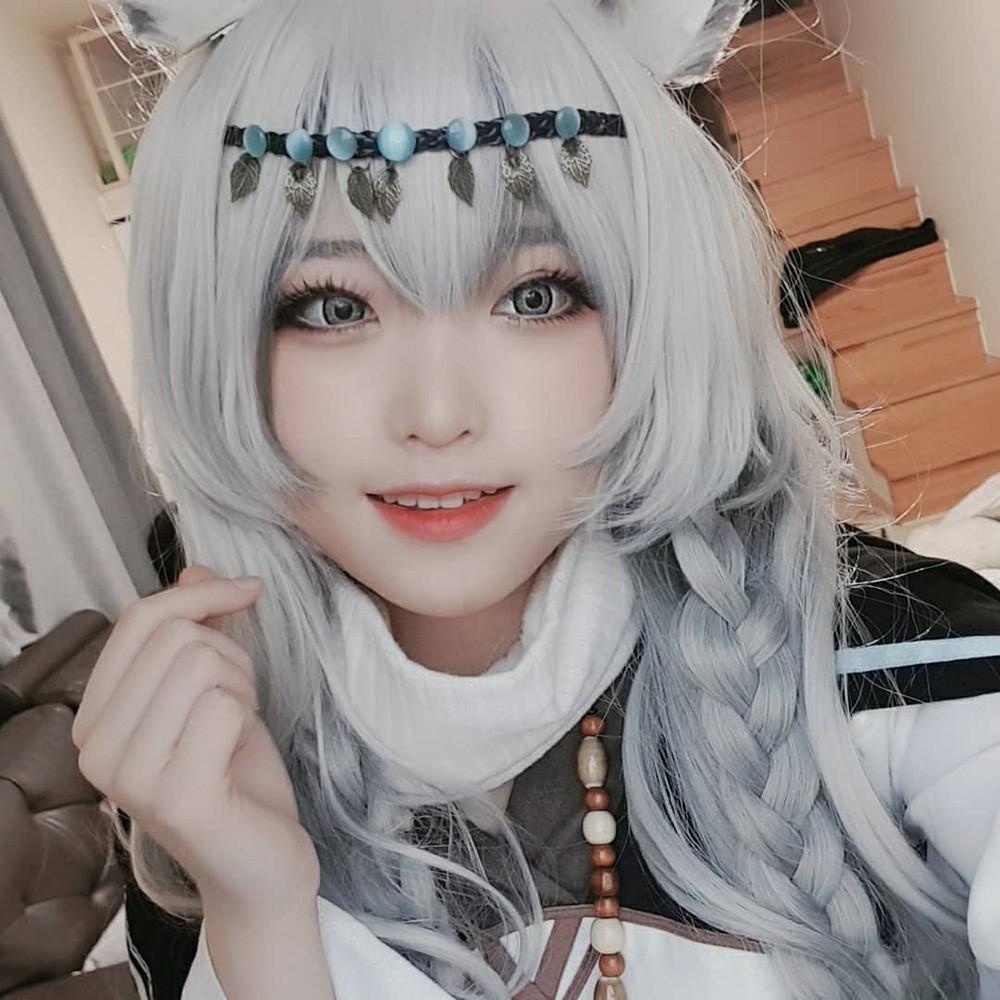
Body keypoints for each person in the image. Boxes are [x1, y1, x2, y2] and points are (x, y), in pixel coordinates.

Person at [72, 0, 1000, 997]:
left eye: (535, 295)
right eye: (334, 307)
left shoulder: (903, 667)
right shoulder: (196, 805)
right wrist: (261, 926)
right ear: (214, 341)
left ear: (650, 309)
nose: (437, 416)